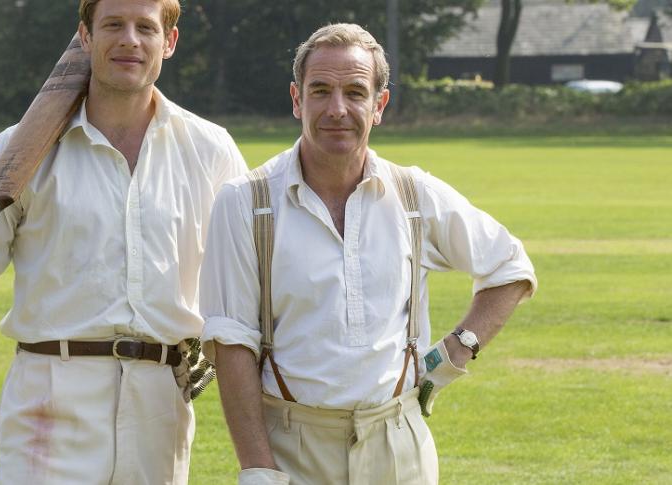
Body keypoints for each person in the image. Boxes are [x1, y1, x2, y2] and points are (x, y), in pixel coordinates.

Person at [0, 0, 247, 483]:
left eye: (145, 28)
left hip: (160, 399)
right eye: (113, 24)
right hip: (51, 397)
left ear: (169, 42)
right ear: (85, 38)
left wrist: (208, 340)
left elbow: (240, 281)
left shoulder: (210, 148)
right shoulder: (19, 150)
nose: (130, 40)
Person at [199, 23, 537, 485]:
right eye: (321, 91)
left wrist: (452, 356)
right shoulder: (245, 201)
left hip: (399, 446)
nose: (337, 109)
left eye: (355, 92)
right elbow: (232, 344)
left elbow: (510, 267)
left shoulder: (413, 194)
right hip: (291, 446)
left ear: (379, 105)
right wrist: (258, 469)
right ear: (297, 99)